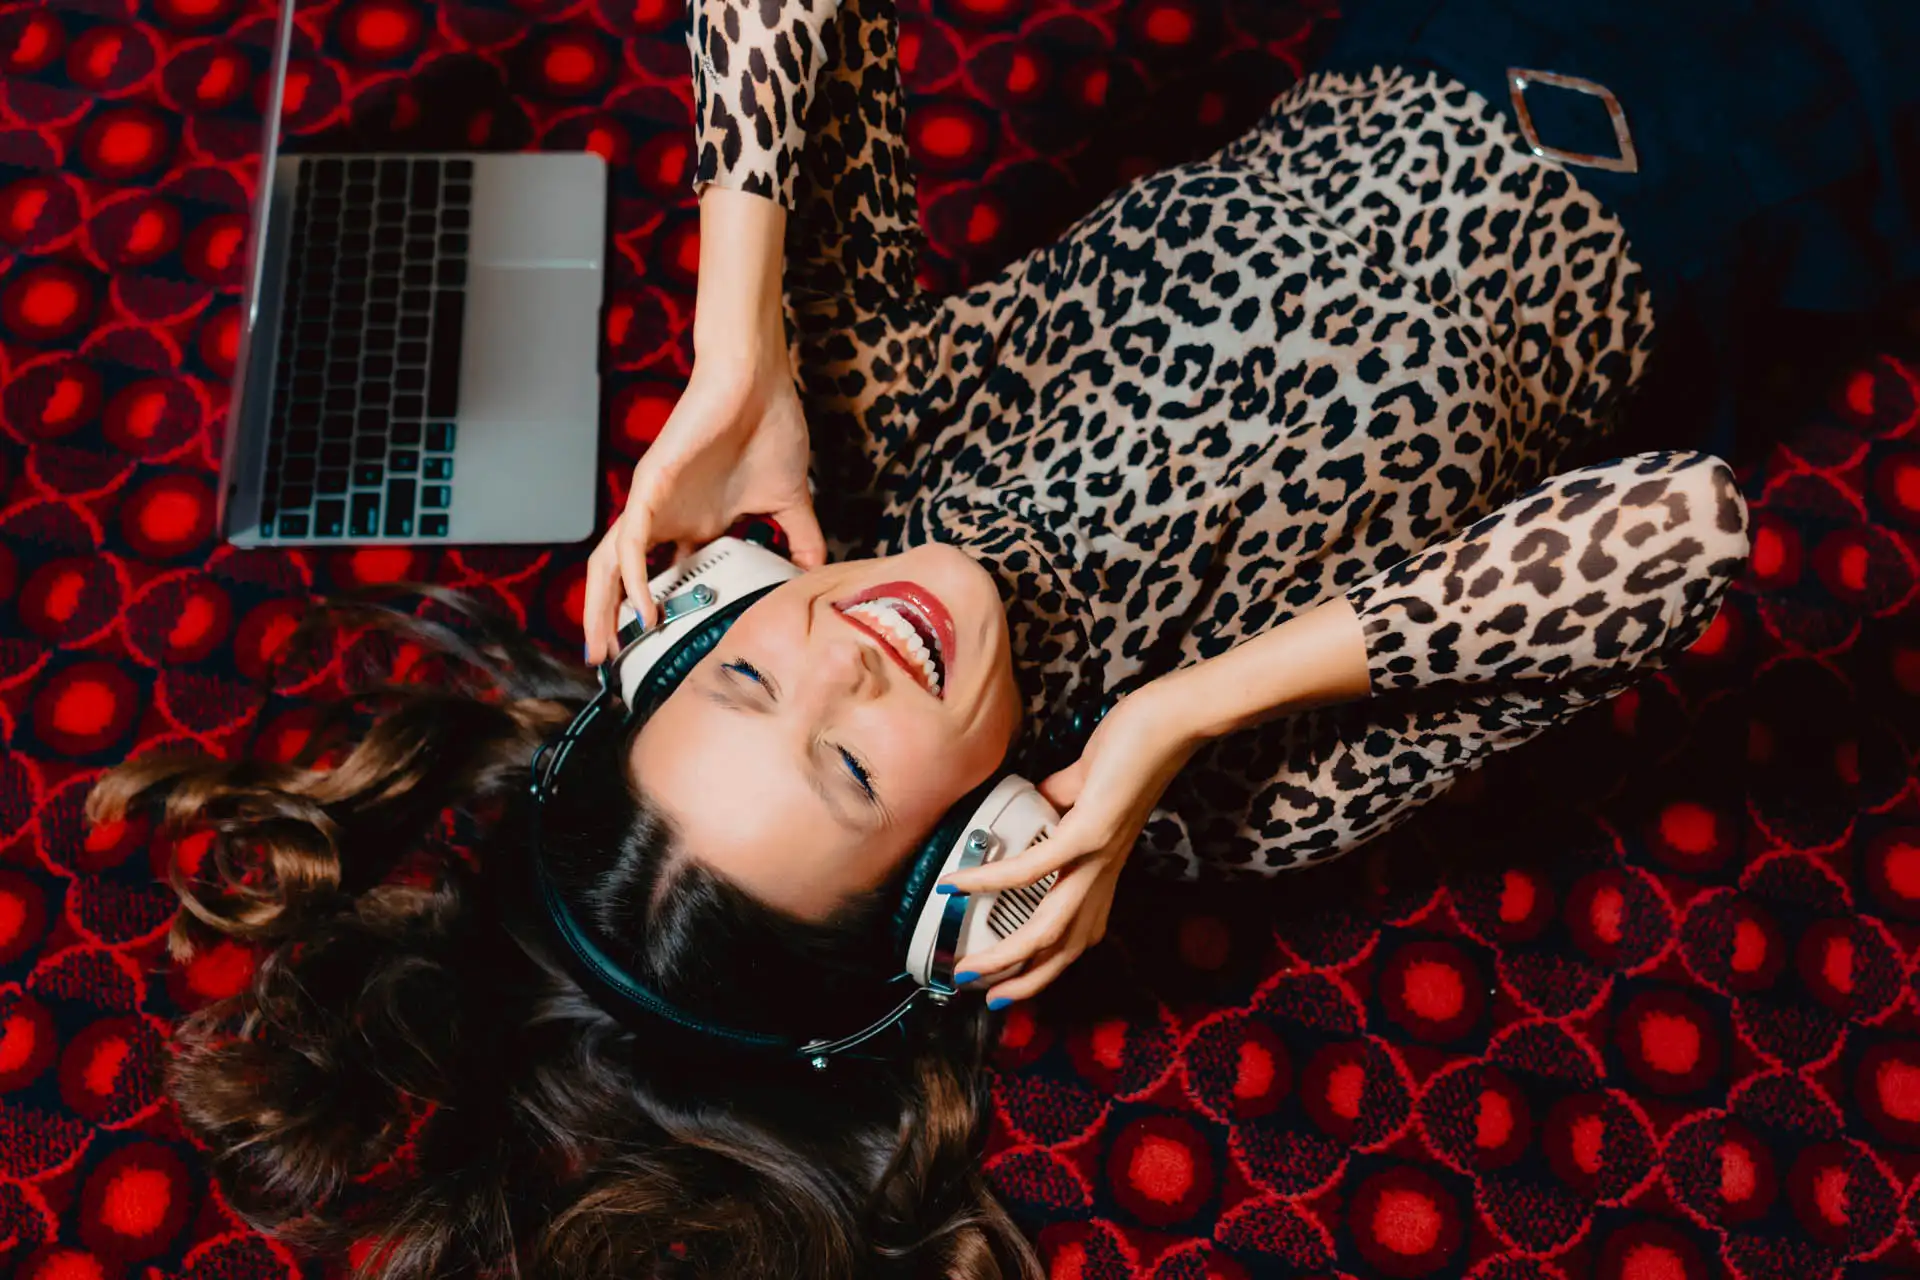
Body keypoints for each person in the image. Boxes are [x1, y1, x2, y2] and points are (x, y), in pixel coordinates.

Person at [96, 0, 1920, 1275]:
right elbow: (1689, 528)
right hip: (1751, 184)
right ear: (963, 873)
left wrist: (738, 346)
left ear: (704, 609)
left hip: (1440, 37)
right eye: (849, 765)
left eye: (746, 668)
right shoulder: (1240, 793)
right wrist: (1182, 717)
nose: (845, 656)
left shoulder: (874, 435)